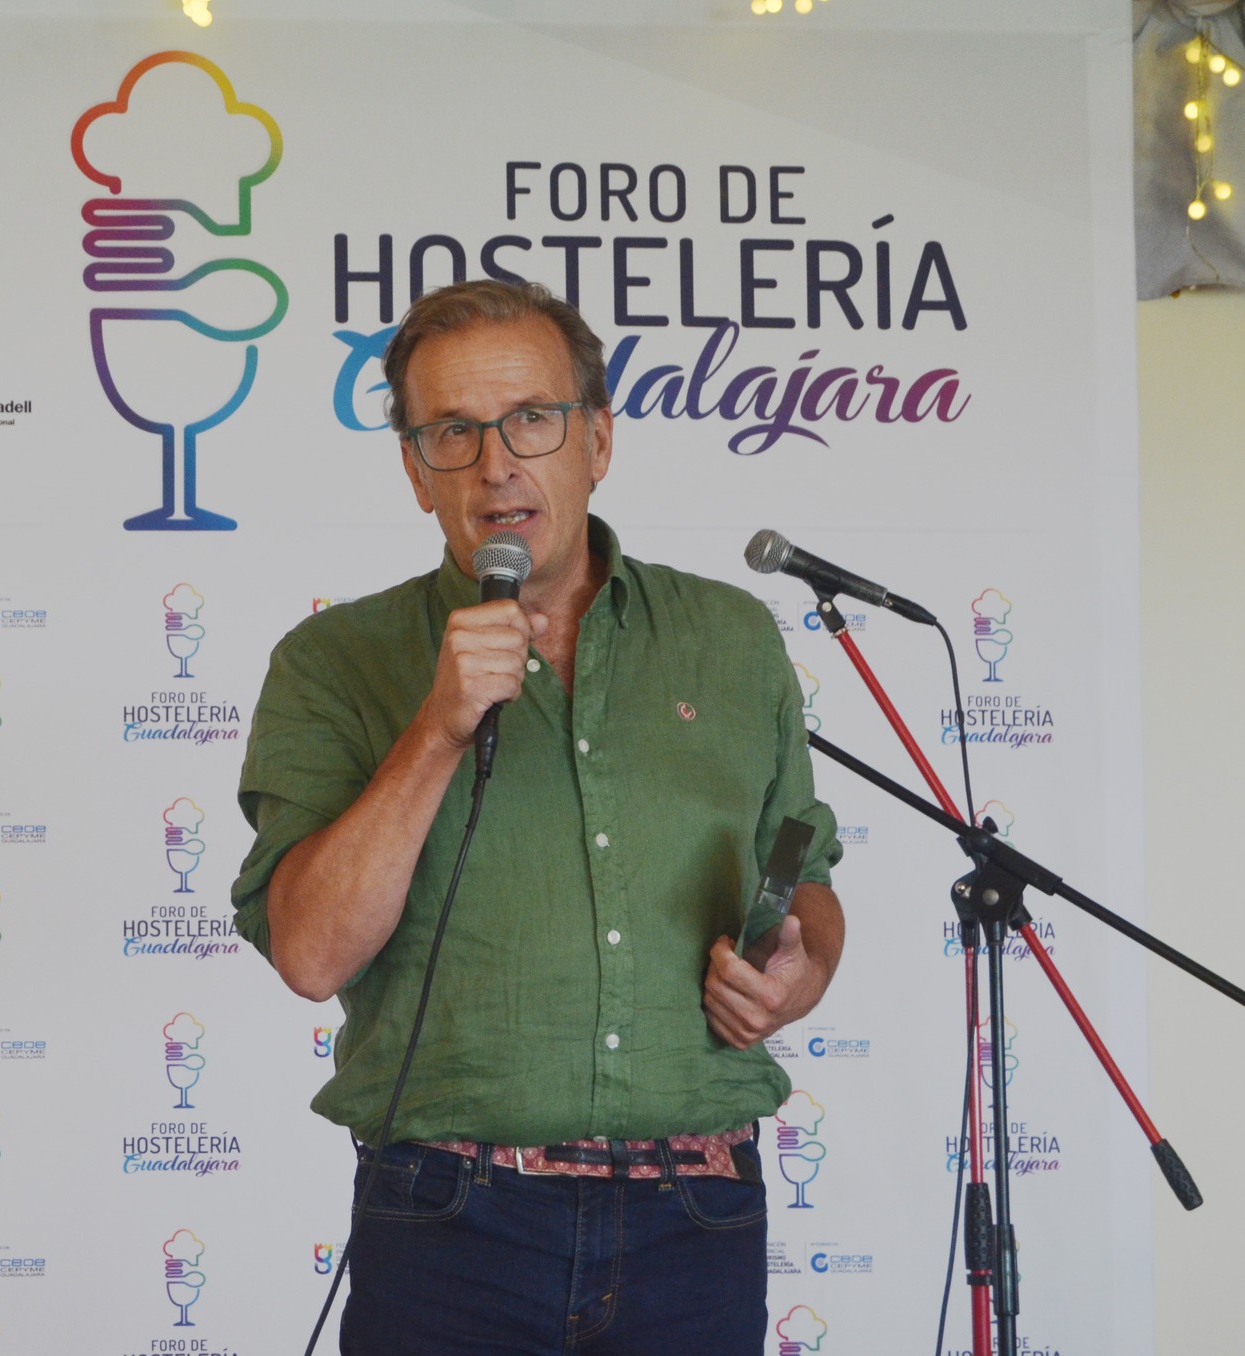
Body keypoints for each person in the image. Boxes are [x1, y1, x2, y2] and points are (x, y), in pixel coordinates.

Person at [231, 281, 844, 1354]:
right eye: (451, 432)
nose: (495, 464)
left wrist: (799, 972)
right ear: (415, 470)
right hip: (449, 1224)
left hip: (696, 1217)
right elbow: (311, 953)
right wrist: (435, 729)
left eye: (530, 419)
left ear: (597, 440)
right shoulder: (333, 662)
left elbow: (809, 883)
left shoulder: (730, 638)